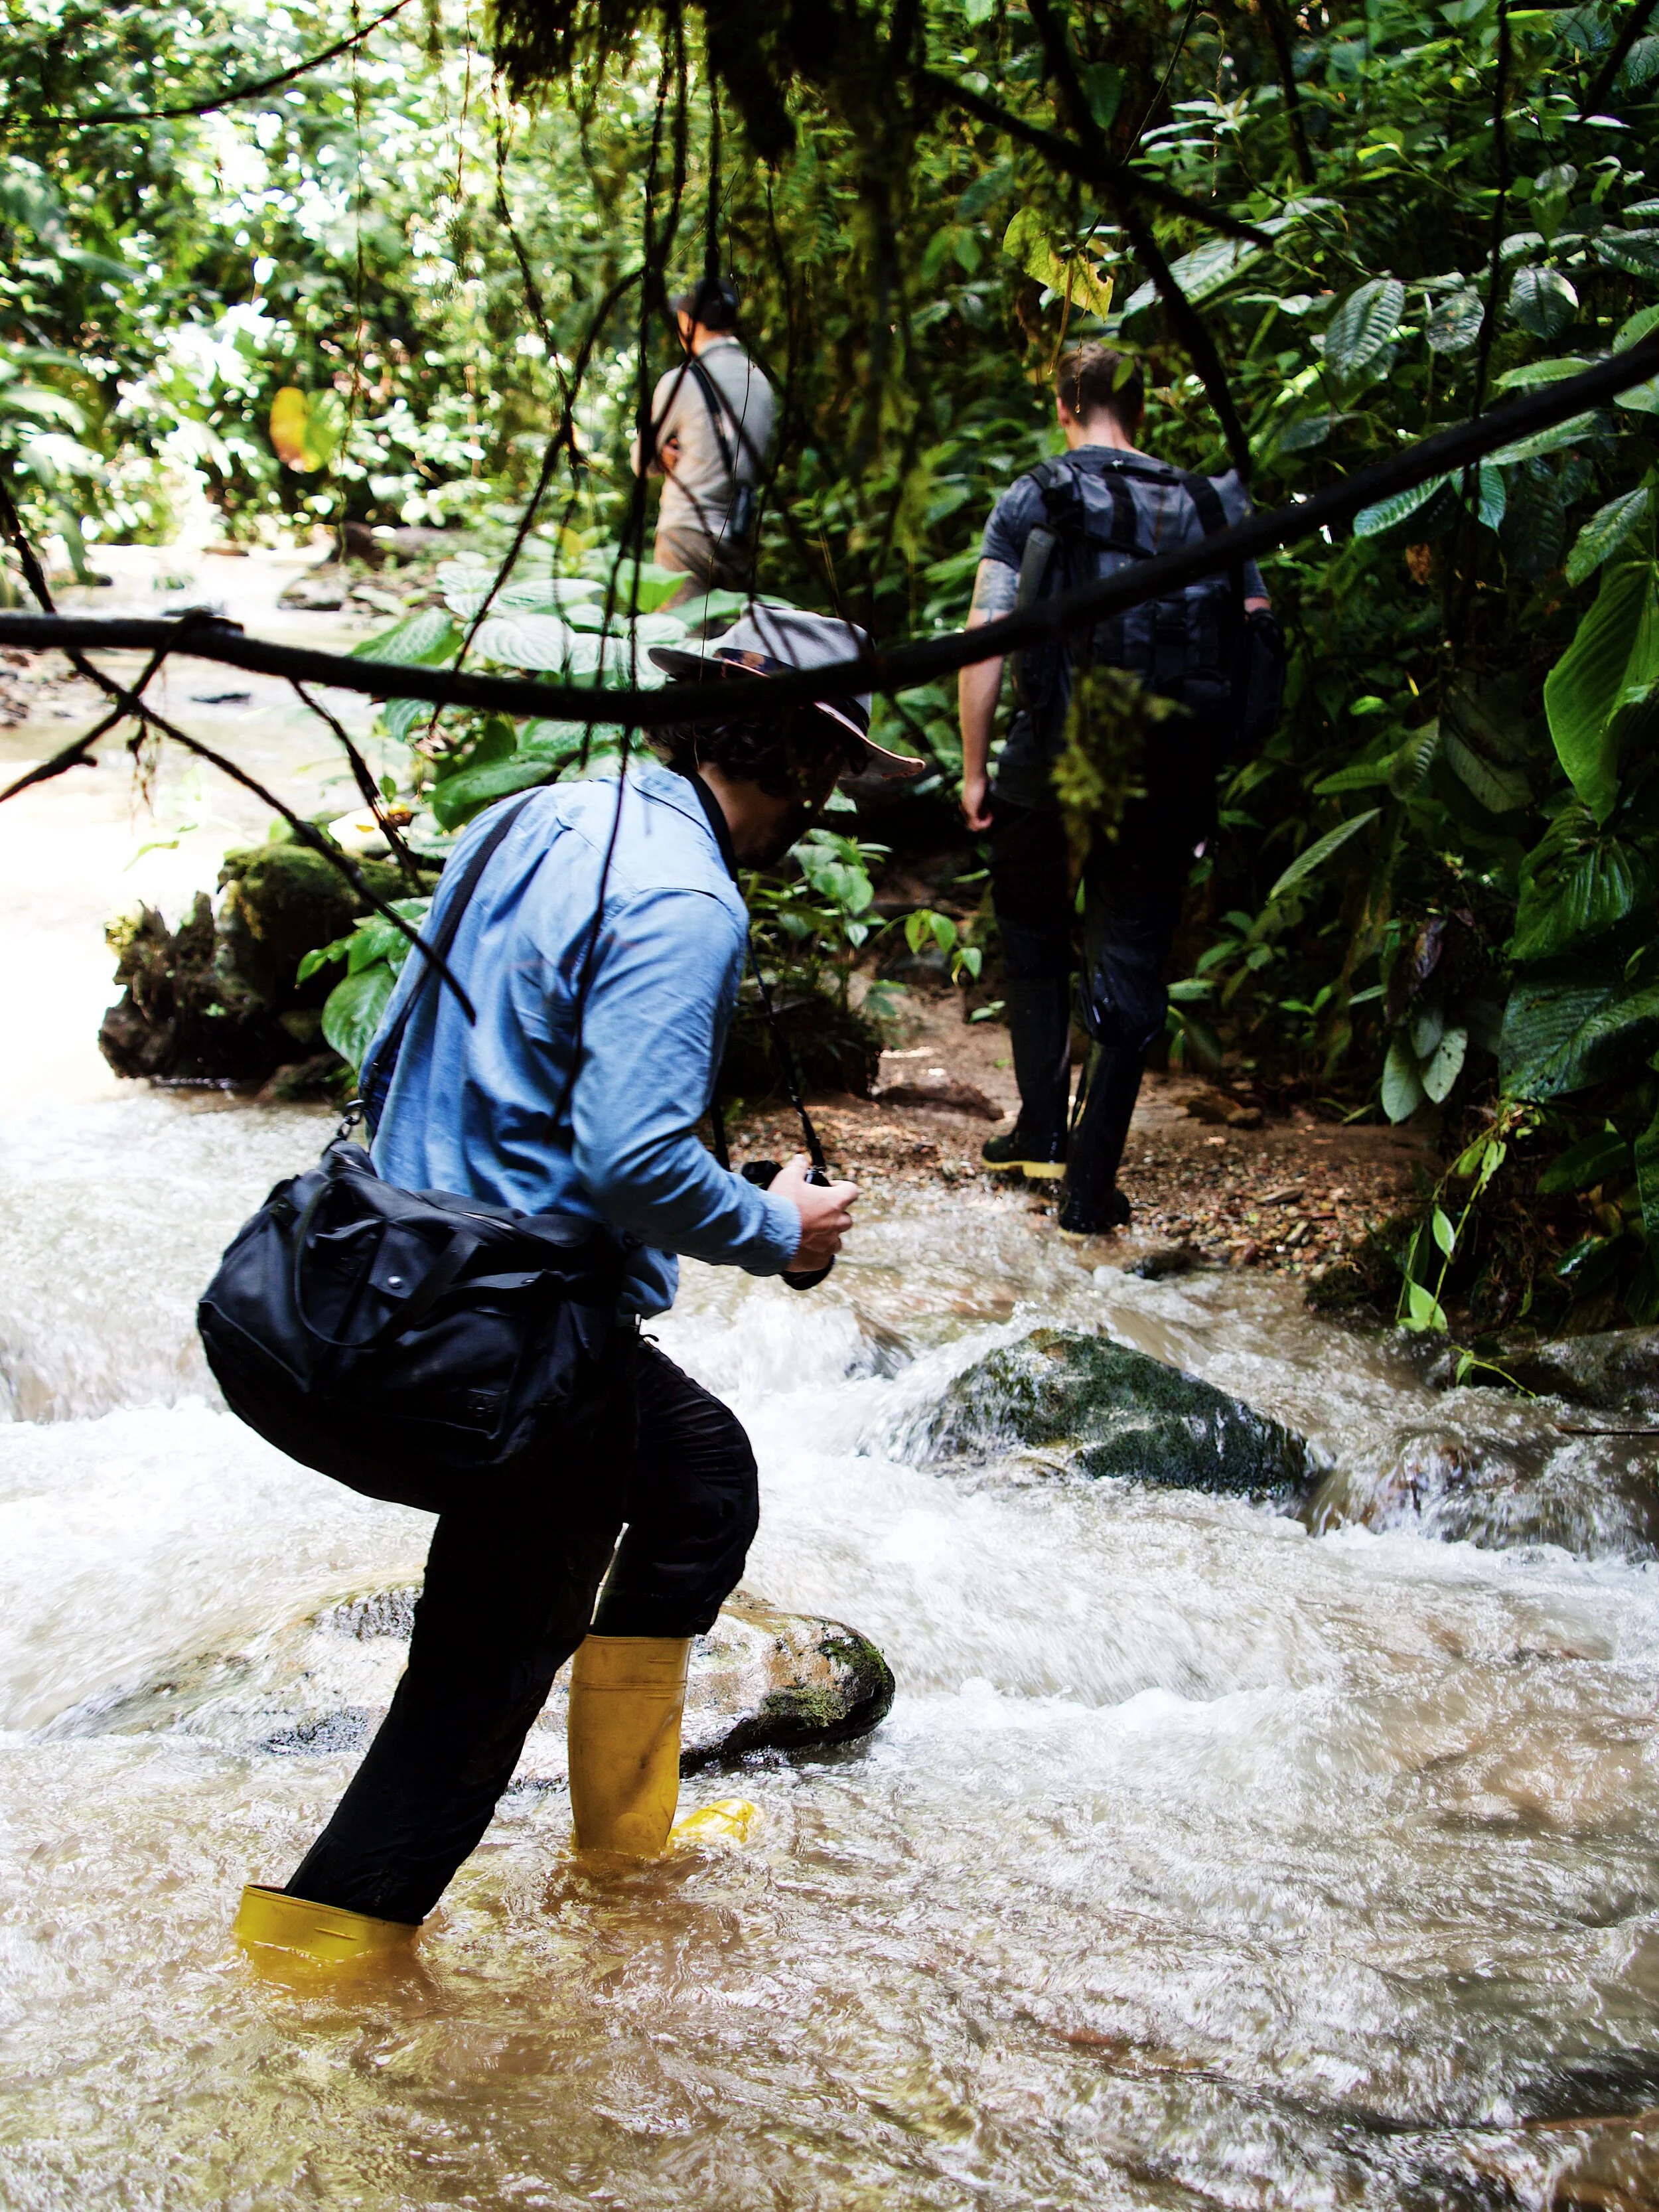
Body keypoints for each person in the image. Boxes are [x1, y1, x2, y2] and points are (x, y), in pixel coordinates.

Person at [234, 607, 923, 1968]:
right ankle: (320, 1969)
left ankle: (624, 1841)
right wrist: (774, 1227)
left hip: (381, 1267)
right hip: (505, 1331)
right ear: (795, 759)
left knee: (697, 1479)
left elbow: (411, 1043)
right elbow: (630, 1158)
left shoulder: (534, 818)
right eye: (831, 769)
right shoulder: (686, 898)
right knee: (479, 1673)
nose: (829, 799)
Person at [959, 342, 1275, 1236]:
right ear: (1146, 410)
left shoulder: (1039, 492)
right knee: (1130, 967)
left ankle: (1038, 1130)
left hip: (1049, 762)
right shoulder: (1209, 504)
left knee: (1033, 937)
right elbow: (1255, 638)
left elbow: (986, 635)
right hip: (1164, 773)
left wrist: (977, 770)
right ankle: (1089, 1188)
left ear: (1066, 405)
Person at [632, 275, 776, 599]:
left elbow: (642, 462)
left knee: (679, 643)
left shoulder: (683, 380)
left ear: (690, 322)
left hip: (687, 536)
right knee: (727, 647)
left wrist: (661, 458)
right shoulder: (761, 381)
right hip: (739, 537)